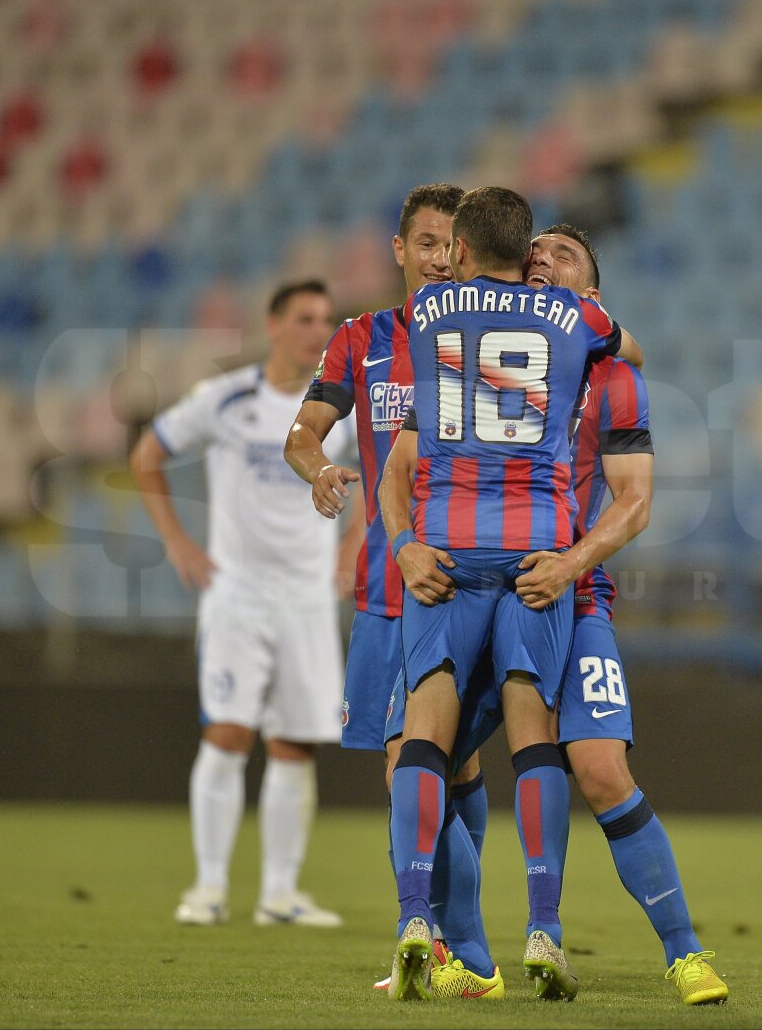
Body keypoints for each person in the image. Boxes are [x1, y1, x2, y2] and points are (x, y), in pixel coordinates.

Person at [378, 187, 621, 1002]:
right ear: (526, 256)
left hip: (445, 542)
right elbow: (631, 353)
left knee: (426, 730)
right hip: (535, 550)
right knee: (532, 732)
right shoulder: (577, 323)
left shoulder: (428, 307)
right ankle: (544, 927)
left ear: (462, 249)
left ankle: (417, 917)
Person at [284, 184, 503, 1000]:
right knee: (444, 766)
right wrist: (320, 472)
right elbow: (301, 433)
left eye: (453, 244)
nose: (440, 256)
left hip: (460, 579)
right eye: (426, 242)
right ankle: (450, 944)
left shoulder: (495, 336)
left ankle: (450, 944)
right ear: (399, 249)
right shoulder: (362, 340)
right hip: (385, 578)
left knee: (417, 765)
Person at [519, 225, 729, 1005]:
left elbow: (636, 502)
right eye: (533, 251)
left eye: (563, 254)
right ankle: (451, 945)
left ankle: (685, 952)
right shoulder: (468, 368)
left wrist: (570, 564)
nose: (543, 258)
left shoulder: (614, 381)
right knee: (441, 761)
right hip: (474, 590)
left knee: (601, 768)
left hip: (571, 594)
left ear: (594, 298)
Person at [130, 279, 357, 928]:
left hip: (309, 596)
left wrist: (354, 546)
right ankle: (208, 886)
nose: (319, 330)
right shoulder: (225, 397)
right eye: (306, 317)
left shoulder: (336, 409)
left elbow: (383, 471)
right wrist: (177, 542)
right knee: (227, 733)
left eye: (326, 319)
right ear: (275, 324)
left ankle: (279, 895)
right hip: (238, 593)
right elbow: (147, 453)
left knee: (295, 743)